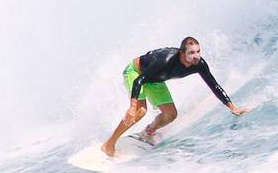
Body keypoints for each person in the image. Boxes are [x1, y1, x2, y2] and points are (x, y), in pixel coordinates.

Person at [101, 37, 248, 158]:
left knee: (171, 115)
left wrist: (232, 107)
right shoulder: (166, 60)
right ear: (181, 53)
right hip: (136, 73)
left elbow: (214, 85)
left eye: (198, 51)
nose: (196, 56)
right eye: (191, 53)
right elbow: (139, 80)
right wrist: (132, 107)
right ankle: (109, 144)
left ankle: (149, 131)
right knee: (140, 111)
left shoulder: (199, 64)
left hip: (155, 80)